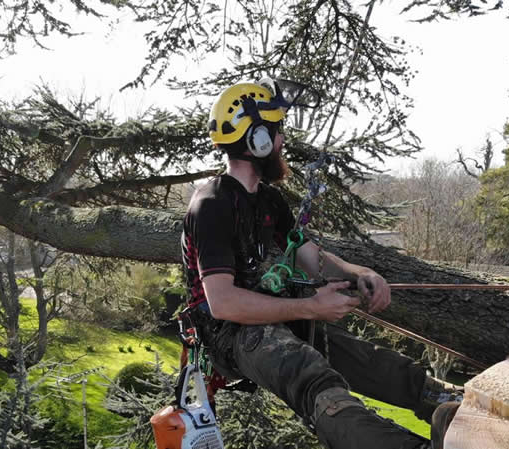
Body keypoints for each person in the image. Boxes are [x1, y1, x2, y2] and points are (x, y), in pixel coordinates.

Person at [180, 79, 461, 449]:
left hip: (274, 314)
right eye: (277, 132)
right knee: (315, 381)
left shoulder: (269, 201)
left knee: (362, 357)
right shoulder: (212, 204)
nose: (282, 142)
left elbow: (312, 258)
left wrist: (358, 274)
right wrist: (311, 306)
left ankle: (451, 404)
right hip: (231, 335)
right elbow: (223, 303)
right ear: (258, 141)